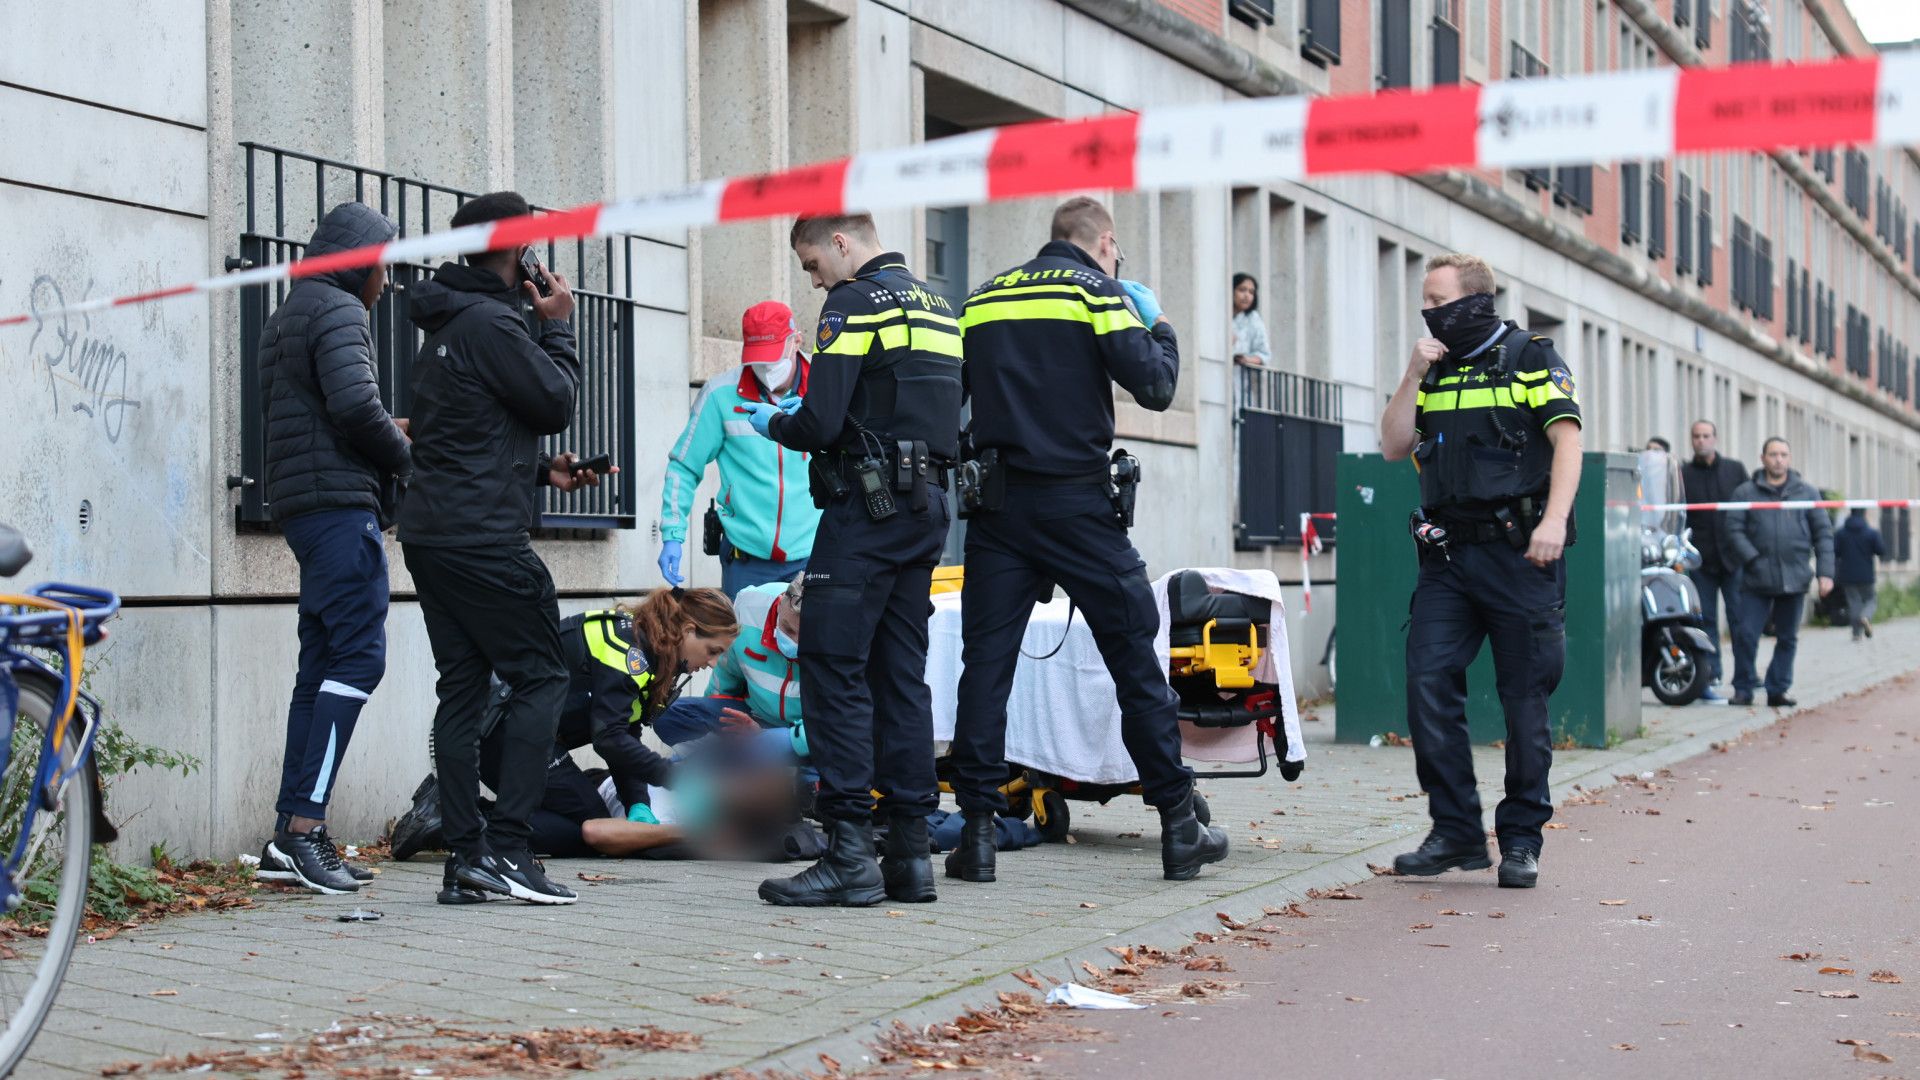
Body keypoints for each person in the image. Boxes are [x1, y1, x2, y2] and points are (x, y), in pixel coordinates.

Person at [945, 195, 1228, 885]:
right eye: (1118, 253)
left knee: (985, 671)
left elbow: (947, 398)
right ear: (1104, 242)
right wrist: (1155, 319)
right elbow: (1157, 386)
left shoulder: (981, 300)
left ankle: (977, 838)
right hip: (1078, 505)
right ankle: (1176, 827)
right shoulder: (1099, 293)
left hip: (998, 510)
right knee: (1135, 660)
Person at [734, 213, 960, 907]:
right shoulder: (939, 305)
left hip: (865, 512)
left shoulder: (854, 302)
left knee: (834, 673)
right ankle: (910, 856)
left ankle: (849, 855)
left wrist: (772, 421)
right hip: (925, 507)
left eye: (811, 264)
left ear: (841, 242)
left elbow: (822, 422)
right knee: (902, 677)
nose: (813, 280)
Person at [397, 190, 604, 906]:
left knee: (462, 686)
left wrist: (540, 470)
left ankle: (466, 858)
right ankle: (511, 850)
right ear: (519, 250)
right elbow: (556, 401)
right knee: (542, 677)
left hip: (433, 533)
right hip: (483, 538)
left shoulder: (451, 319)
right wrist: (560, 328)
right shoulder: (494, 322)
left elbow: (462, 429)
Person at [1379, 253, 1584, 890]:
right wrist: (1412, 372)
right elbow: (1392, 446)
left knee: (1525, 705)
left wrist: (1553, 521)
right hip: (1449, 558)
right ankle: (1457, 831)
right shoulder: (1433, 369)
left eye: (1436, 300)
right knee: (1426, 680)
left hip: (1522, 555)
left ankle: (1521, 839)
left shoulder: (1530, 357)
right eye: (1423, 301)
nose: (1427, 311)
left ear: (1474, 301)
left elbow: (1568, 438)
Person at [253, 202, 405, 895]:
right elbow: (352, 408)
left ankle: (291, 834)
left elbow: (319, 408)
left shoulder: (289, 311)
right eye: (385, 265)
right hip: (340, 507)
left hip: (303, 507)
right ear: (362, 261)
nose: (389, 281)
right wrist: (406, 455)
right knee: (357, 658)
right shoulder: (340, 311)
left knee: (319, 667)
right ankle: (306, 828)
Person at [388, 588, 740, 884]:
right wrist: (675, 777)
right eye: (713, 651)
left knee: (591, 822)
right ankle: (457, 819)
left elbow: (625, 733)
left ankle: (458, 812)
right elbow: (609, 739)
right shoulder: (627, 653)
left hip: (521, 733)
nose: (711, 664)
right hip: (504, 734)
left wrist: (639, 802)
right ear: (689, 631)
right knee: (587, 828)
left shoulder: (642, 643)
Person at [658, 301, 820, 597]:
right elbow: (683, 465)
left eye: (772, 358)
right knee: (747, 643)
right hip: (746, 561)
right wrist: (672, 535)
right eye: (758, 359)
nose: (765, 369)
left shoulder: (826, 387)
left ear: (796, 341)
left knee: (814, 643)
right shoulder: (720, 395)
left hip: (815, 556)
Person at [1721, 437, 1834, 707]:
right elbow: (1733, 530)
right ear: (1763, 458)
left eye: (1783, 454)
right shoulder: (1745, 493)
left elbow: (1823, 534)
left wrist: (1825, 572)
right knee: (1746, 634)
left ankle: (1778, 689)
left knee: (1787, 637)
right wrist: (1752, 559)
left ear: (1790, 458)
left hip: (1795, 576)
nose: (1778, 459)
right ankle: (1744, 687)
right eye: (1773, 454)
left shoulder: (1807, 493)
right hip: (1756, 576)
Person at [1680, 420, 1747, 700]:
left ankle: (1746, 675)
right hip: (1701, 561)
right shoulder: (1682, 474)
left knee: (1741, 619)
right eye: (1696, 436)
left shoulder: (1735, 470)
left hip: (1733, 558)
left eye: (1706, 436)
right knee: (1705, 621)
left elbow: (1748, 509)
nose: (1701, 441)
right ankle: (1712, 673)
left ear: (1715, 438)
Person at [1834, 509, 1888, 641]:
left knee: (1854, 603)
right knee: (1871, 599)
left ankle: (1856, 634)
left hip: (1847, 574)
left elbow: (1835, 552)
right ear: (1864, 514)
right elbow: (1881, 550)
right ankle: (1866, 616)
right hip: (1866, 574)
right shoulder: (1871, 533)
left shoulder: (1840, 533)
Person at [1230, 273, 1270, 368]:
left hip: (1242, 377)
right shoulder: (1218, 314)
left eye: (1251, 292)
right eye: (1242, 290)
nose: (1247, 295)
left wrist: (1246, 360)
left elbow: (1264, 354)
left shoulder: (1253, 318)